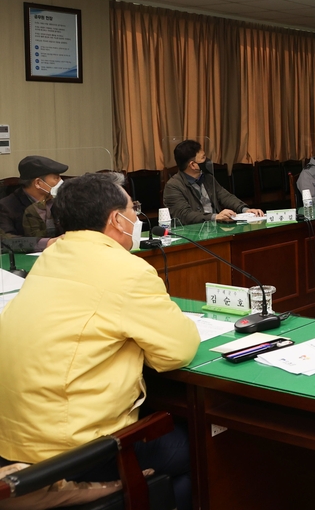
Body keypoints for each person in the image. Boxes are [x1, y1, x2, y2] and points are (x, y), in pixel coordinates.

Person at [0, 172, 200, 510]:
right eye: (132, 210)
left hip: (14, 445)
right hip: (75, 453)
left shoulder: (49, 258)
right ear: (116, 219)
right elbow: (176, 353)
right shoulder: (126, 270)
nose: (137, 217)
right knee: (206, 444)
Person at [163, 140, 264, 224]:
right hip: (193, 233)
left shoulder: (208, 178)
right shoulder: (173, 186)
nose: (207, 160)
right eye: (203, 158)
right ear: (193, 165)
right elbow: (184, 215)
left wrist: (245, 210)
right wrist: (215, 217)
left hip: (215, 227)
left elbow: (225, 196)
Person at [0, 155, 67, 236]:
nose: (61, 182)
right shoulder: (6, 207)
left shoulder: (61, 201)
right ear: (38, 183)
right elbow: (7, 241)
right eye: (56, 178)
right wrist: (47, 243)